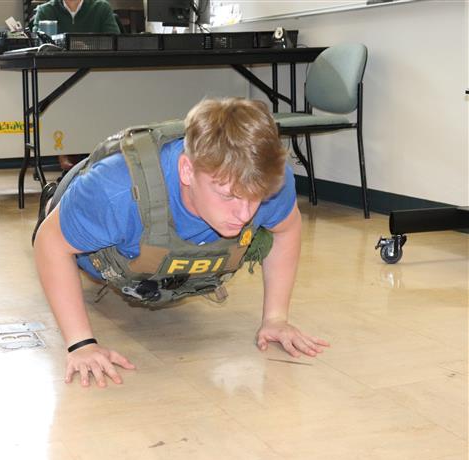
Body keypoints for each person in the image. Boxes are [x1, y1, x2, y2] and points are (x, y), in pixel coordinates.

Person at [33, 97, 329, 388]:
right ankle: (53, 196)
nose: (245, 213)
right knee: (63, 223)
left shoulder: (263, 178)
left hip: (148, 257)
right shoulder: (114, 191)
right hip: (86, 213)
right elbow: (50, 245)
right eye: (228, 195)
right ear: (187, 171)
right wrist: (81, 344)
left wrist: (276, 318)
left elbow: (287, 229)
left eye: (257, 198)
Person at [34, 0, 121, 170]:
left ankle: (97, 151)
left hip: (96, 75)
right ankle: (65, 151)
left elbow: (115, 41)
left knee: (102, 92)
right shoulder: (45, 12)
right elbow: (39, 45)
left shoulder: (101, 8)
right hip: (58, 76)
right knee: (57, 93)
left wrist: (87, 46)